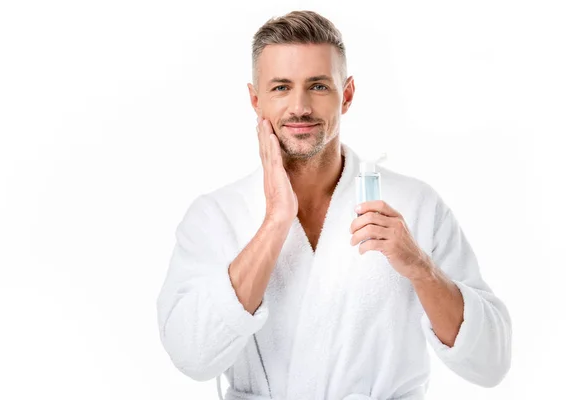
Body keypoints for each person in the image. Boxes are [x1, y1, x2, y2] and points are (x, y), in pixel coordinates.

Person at [156, 10, 511, 400]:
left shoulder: (415, 205)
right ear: (255, 100)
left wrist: (420, 268)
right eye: (280, 88)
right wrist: (276, 221)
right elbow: (191, 355)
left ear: (348, 94)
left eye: (318, 86)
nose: (300, 106)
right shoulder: (215, 216)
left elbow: (492, 362)